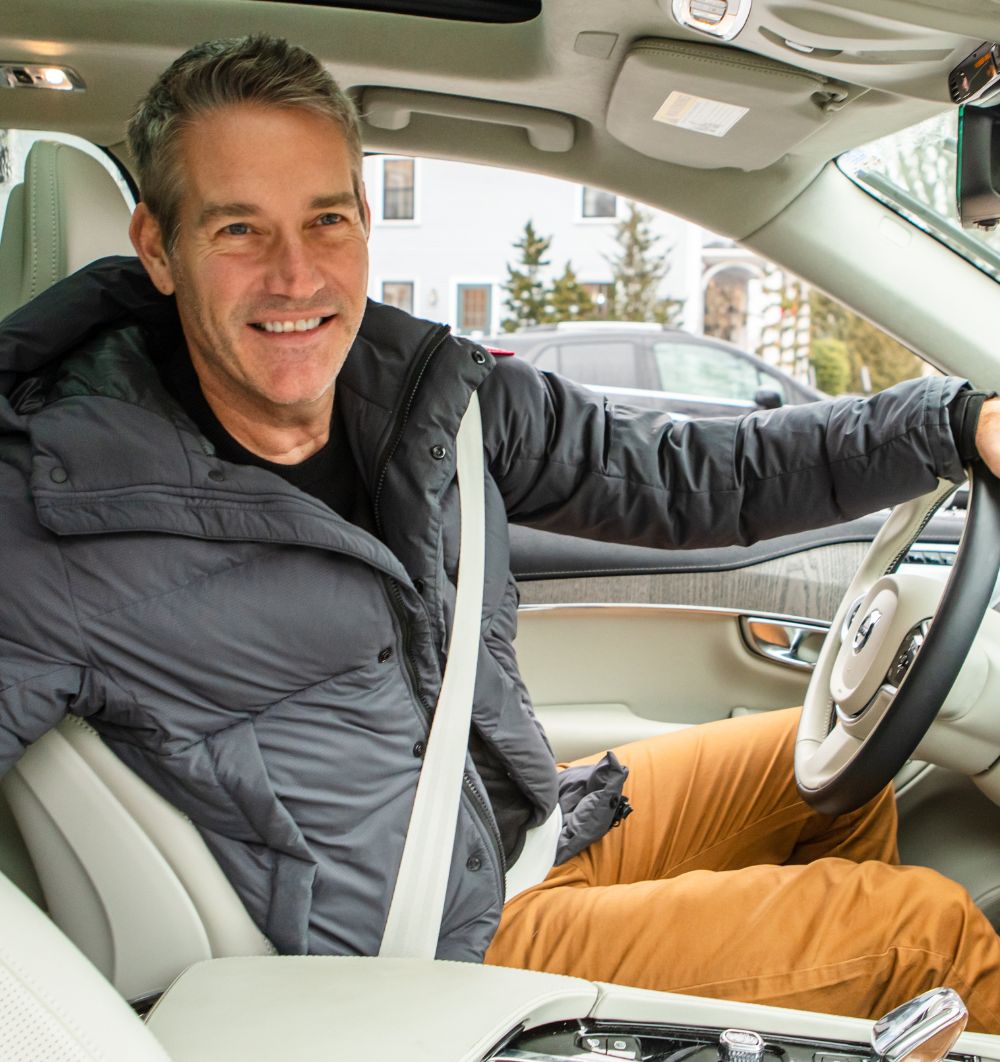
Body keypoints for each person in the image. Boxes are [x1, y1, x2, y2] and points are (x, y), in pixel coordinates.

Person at [1, 33, 998, 1032]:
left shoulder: (435, 402)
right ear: (156, 248)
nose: (296, 275)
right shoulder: (50, 509)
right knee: (924, 934)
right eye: (237, 231)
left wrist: (951, 425)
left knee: (823, 777)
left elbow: (701, 479)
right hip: (427, 954)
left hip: (520, 834)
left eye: (328, 219)